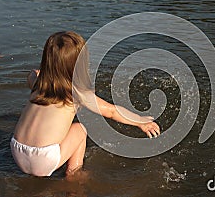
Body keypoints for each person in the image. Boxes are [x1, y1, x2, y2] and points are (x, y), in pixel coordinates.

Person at [10, 31, 160, 178]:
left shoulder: (37, 84)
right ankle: (74, 175)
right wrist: (140, 121)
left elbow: (31, 74)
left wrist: (40, 73)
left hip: (17, 151)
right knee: (80, 129)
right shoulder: (77, 94)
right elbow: (112, 111)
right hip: (43, 160)